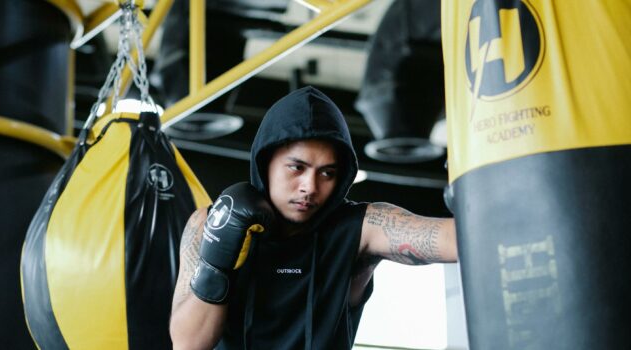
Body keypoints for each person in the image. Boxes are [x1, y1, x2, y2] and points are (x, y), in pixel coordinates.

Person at [169, 86, 457, 349]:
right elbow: (187, 345)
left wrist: (477, 184)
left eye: (327, 173)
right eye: (297, 167)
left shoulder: (361, 230)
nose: (310, 186)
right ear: (266, 162)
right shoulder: (210, 223)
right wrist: (217, 264)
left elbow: (449, 240)